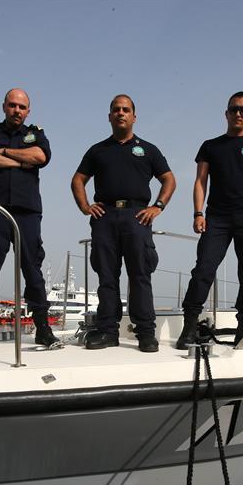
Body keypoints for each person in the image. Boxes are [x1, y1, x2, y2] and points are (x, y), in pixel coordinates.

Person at [71, 94, 176, 352]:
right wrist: (85, 207)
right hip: (104, 217)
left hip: (136, 216)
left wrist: (157, 206)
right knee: (107, 276)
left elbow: (169, 180)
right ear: (109, 116)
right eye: (116, 109)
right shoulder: (97, 150)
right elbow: (77, 180)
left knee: (140, 275)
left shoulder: (148, 150)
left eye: (126, 109)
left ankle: (145, 333)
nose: (121, 113)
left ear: (134, 116)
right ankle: (107, 331)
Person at [175, 91, 243, 349]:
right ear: (226, 113)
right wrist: (198, 213)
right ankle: (189, 327)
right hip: (216, 217)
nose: (239, 114)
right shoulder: (210, 146)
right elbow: (200, 181)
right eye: (234, 109)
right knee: (203, 269)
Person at [0, 88, 58, 350]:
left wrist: (6, 153)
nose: (17, 111)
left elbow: (40, 156)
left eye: (22, 107)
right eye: (12, 105)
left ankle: (43, 329)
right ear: (4, 107)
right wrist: (22, 161)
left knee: (32, 269)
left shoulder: (36, 133)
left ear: (28, 110)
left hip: (27, 212)